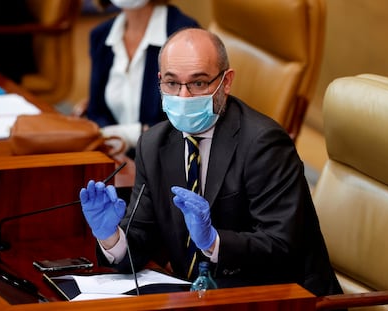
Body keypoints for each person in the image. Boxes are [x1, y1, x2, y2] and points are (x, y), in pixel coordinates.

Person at [80, 28, 344, 297]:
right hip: (201, 297)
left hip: (284, 298)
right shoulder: (153, 144)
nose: (183, 97)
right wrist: (111, 236)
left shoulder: (263, 144)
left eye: (198, 83)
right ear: (160, 81)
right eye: (172, 83)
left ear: (226, 82)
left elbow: (282, 245)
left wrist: (214, 242)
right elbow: (141, 241)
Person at [74, 0, 199, 157]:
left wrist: (124, 135)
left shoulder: (184, 35)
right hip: (115, 157)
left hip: (165, 160)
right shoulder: (101, 35)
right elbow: (96, 111)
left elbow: (187, 121)